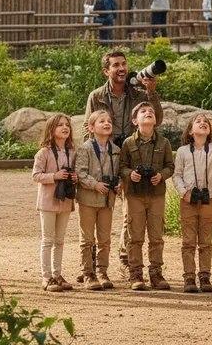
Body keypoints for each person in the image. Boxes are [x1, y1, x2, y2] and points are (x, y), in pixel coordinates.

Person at [84, 51, 164, 275]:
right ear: (106, 71)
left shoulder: (138, 95)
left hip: (131, 159)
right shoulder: (96, 96)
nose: (121, 68)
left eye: (124, 64)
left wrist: (152, 92)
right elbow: (87, 127)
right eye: (116, 65)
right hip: (104, 157)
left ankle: (126, 260)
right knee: (97, 211)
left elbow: (156, 119)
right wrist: (93, 154)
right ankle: (91, 264)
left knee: (130, 213)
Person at [173, 113, 212, 293]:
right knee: (188, 240)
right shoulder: (183, 151)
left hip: (209, 199)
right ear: (190, 131)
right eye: (198, 121)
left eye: (206, 122)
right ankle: (189, 277)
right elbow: (177, 175)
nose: (203, 123)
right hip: (188, 200)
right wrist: (183, 192)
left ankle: (205, 276)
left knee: (206, 240)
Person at [120, 102, 174, 291]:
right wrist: (129, 174)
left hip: (156, 194)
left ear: (156, 120)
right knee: (135, 236)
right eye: (143, 112)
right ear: (135, 121)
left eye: (151, 111)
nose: (148, 113)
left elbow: (170, 166)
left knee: (156, 235)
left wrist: (161, 175)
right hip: (134, 195)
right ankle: (135, 274)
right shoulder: (128, 143)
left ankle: (156, 273)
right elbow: (122, 166)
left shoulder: (164, 143)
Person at [75, 110, 121, 290]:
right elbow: (80, 173)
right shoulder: (85, 149)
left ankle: (102, 272)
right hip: (88, 199)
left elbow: (118, 173)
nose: (106, 123)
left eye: (109, 121)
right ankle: (88, 273)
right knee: (87, 239)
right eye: (102, 121)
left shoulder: (116, 150)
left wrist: (119, 185)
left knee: (105, 239)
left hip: (107, 201)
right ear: (92, 127)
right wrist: (95, 184)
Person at [32, 113, 78, 292]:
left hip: (65, 201)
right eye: (60, 125)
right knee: (48, 240)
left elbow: (76, 174)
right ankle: (46, 277)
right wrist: (54, 176)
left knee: (60, 240)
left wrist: (74, 177)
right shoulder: (43, 152)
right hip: (48, 202)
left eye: (67, 125)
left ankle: (58, 275)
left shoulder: (72, 153)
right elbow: (35, 176)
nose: (65, 127)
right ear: (52, 129)